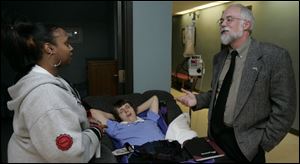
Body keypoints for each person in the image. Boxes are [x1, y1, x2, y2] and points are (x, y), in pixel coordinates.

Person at [175, 3, 296, 163]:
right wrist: (197, 100)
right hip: (215, 139)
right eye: (221, 20)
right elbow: (217, 93)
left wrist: (262, 144)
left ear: (246, 25)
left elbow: (285, 109)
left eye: (229, 19)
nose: (223, 23)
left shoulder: (273, 57)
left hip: (247, 146)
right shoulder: (219, 58)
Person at [1, 12, 115, 162]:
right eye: (67, 43)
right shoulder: (44, 95)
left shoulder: (51, 80)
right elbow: (70, 155)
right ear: (49, 48)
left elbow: (66, 112)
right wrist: (96, 131)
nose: (71, 48)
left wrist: (85, 121)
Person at [90, 95, 197, 146]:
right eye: (121, 111)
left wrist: (135, 111)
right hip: (143, 154)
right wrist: (115, 117)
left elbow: (154, 98)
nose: (126, 111)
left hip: (167, 149)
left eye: (127, 107)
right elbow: (93, 112)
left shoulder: (149, 119)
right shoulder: (117, 128)